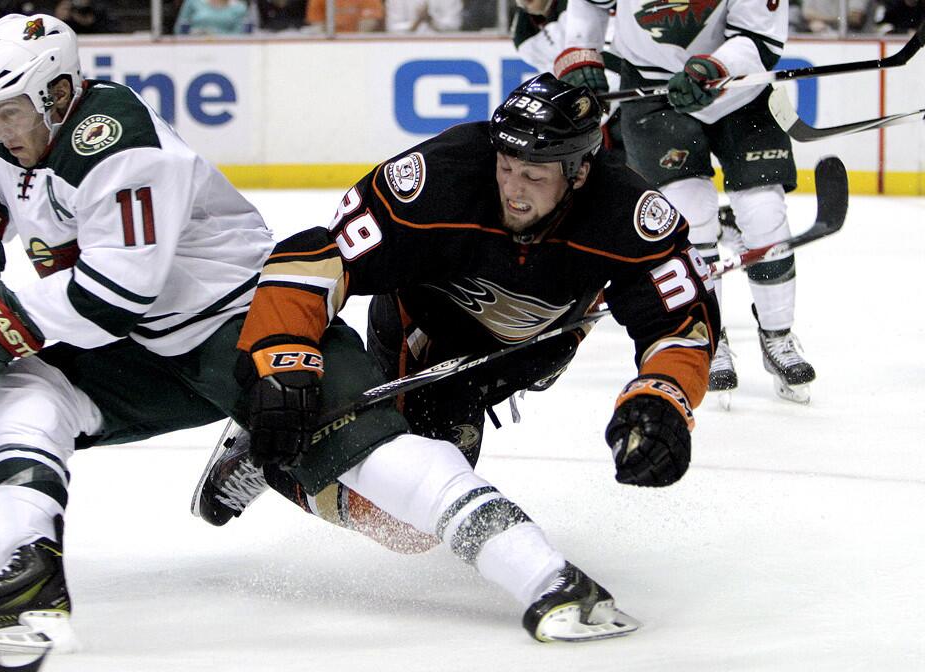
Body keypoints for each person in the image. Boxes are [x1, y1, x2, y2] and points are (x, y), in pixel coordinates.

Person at [0, 16, 637, 650]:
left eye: (10, 114)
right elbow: (10, 180)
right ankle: (26, 576)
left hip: (246, 328)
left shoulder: (117, 142)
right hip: (146, 346)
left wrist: (1, 317)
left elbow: (118, 288)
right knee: (24, 387)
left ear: (56, 96)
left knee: (387, 479)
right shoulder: (25, 140)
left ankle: (550, 577)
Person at [193, 75, 719, 629]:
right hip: (420, 336)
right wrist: (283, 357)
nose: (514, 189)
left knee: (412, 525)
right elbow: (319, 259)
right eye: (507, 166)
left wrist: (663, 399)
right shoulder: (437, 179)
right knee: (410, 519)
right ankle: (271, 461)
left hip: (507, 364)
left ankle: (277, 458)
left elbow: (681, 327)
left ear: (580, 171)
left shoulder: (628, 215)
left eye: (535, 176)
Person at [552, 0, 817, 403]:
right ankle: (714, 335)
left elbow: (759, 38)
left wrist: (716, 66)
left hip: (740, 91)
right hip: (655, 94)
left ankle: (778, 335)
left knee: (764, 212)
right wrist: (582, 49)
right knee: (691, 215)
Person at [175, 0, 250, 35]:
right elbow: (179, 29)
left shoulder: (239, 7)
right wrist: (193, 32)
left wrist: (212, 34)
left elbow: (240, 34)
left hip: (227, 49)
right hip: (192, 47)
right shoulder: (192, 2)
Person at [384, 0, 462, 33]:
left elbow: (455, 25)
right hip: (406, 47)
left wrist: (431, 21)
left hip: (443, 46)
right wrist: (415, 24)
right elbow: (392, 28)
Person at [305, 0, 383, 32]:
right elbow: (317, 24)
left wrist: (355, 43)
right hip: (330, 43)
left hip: (359, 43)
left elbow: (369, 22)